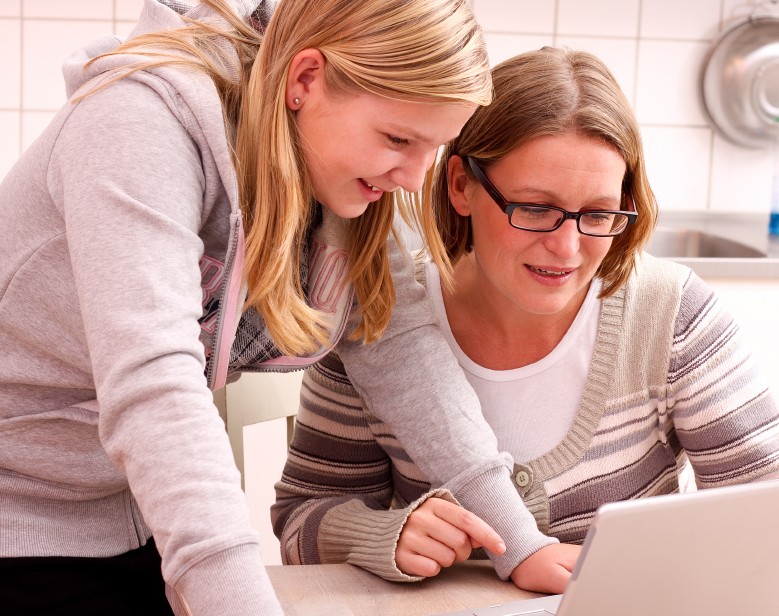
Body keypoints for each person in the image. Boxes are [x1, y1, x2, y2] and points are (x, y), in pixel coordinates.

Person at [0, 0, 537, 613]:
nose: (415, 178)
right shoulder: (135, 121)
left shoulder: (336, 172)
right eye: (397, 138)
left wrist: (521, 544)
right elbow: (157, 388)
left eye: (434, 148)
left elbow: (403, 351)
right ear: (305, 79)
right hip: (17, 514)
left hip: (129, 513)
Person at [273, 47, 779, 590]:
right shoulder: (374, 310)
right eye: (535, 208)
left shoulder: (673, 316)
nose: (566, 248)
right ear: (461, 187)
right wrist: (384, 534)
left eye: (599, 213)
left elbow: (764, 518)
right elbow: (303, 519)